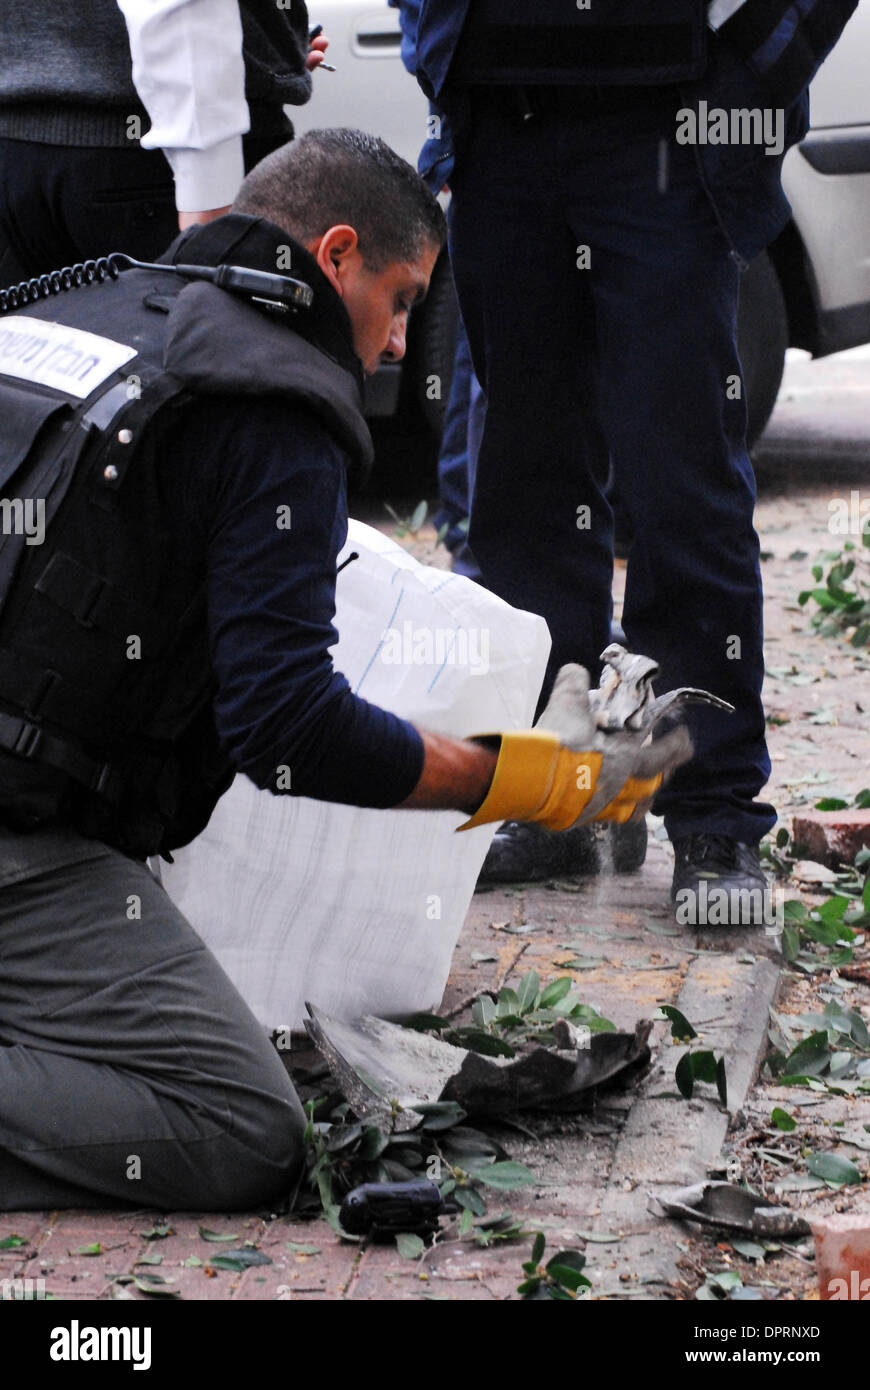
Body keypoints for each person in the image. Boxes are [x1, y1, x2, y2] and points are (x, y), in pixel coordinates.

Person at [0, 130, 689, 1212]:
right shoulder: (273, 399)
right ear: (333, 256)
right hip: (18, 847)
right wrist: (529, 781)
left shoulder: (74, 312)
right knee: (243, 1126)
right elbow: (287, 725)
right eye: (404, 299)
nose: (399, 346)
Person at [390, 0, 858, 921]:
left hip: (669, 127)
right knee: (521, 490)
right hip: (505, 127)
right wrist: (437, 49)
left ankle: (712, 818)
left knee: (681, 487)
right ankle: (562, 799)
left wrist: (746, 79)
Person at [0, 0, 326, 284]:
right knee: (204, 343)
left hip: (20, 148)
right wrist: (209, 210)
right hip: (145, 162)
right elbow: (179, 10)